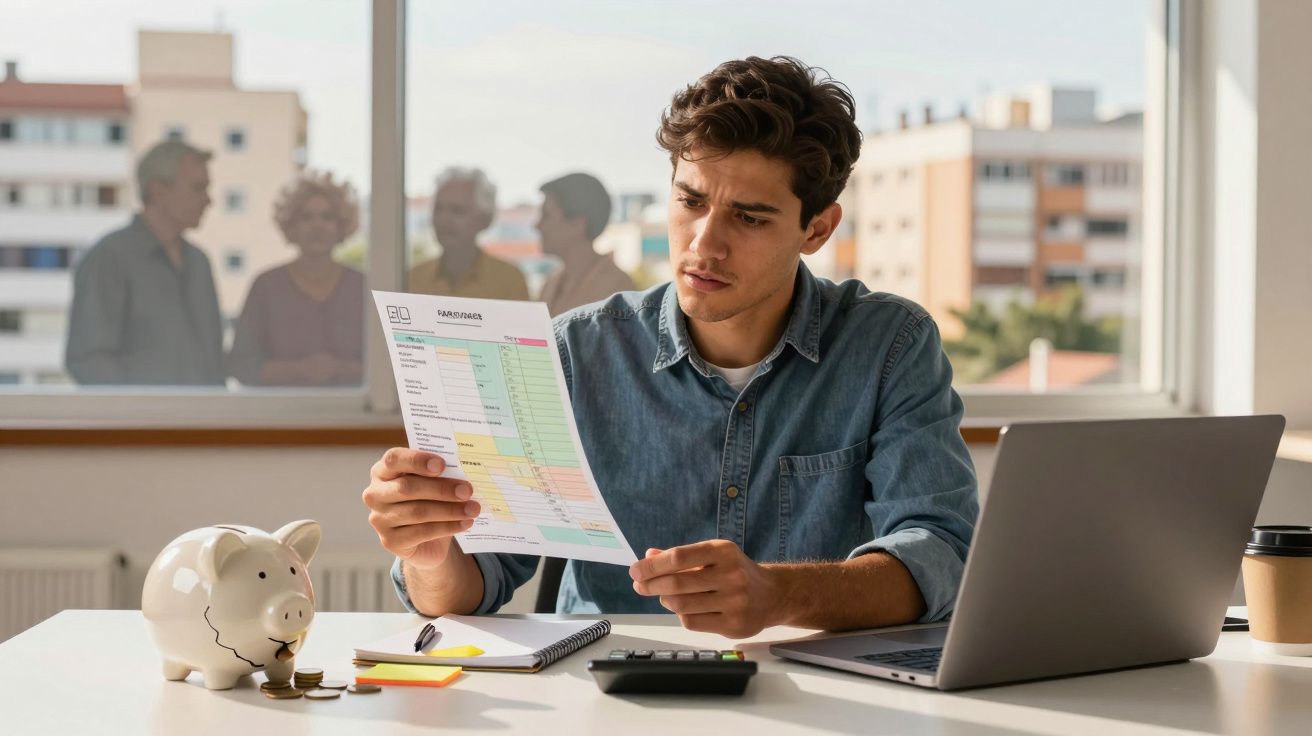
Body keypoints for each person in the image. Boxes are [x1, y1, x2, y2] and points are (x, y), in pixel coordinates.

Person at [363, 57, 978, 638]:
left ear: (816, 229)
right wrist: (430, 554)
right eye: (691, 201)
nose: (703, 245)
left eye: (751, 218)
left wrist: (781, 594)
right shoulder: (578, 352)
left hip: (816, 692)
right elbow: (472, 587)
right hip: (608, 697)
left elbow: (940, 554)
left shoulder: (889, 346)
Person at [66, 140, 224, 385]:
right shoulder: (109, 258)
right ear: (158, 190)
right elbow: (89, 360)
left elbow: (213, 361)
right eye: (198, 188)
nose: (208, 200)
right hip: (139, 421)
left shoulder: (199, 262)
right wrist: (139, 416)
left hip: (200, 421)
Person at [227, 171, 364, 386]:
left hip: (357, 414)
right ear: (291, 226)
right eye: (306, 217)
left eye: (327, 217)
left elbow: (389, 364)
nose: (317, 226)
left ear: (341, 225)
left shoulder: (363, 286)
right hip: (283, 415)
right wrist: (300, 370)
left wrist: (339, 369)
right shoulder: (266, 286)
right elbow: (241, 365)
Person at [407, 167, 529, 300]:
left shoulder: (509, 280)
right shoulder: (413, 278)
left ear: (484, 220)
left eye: (457, 211)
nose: (444, 220)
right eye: (439, 208)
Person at [536, 172, 635, 316]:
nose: (538, 225)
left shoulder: (618, 289)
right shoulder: (550, 284)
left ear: (578, 224)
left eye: (546, 216)